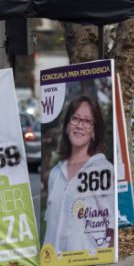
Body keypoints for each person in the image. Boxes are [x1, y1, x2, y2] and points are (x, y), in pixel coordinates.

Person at [44, 95, 115, 253]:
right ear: (67, 126)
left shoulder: (103, 170)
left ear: (94, 131)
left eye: (87, 121)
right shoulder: (55, 174)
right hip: (54, 265)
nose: (80, 126)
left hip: (89, 265)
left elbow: (113, 226)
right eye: (75, 119)